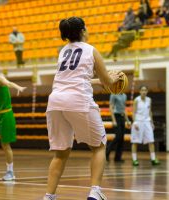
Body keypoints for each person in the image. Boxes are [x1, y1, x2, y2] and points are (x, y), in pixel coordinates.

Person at [43, 17, 123, 200]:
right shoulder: (91, 50)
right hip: (78, 100)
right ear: (82, 31)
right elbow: (107, 82)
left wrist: (103, 80)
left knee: (60, 153)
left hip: (55, 101)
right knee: (99, 146)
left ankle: (49, 196)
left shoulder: (63, 51)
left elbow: (78, 78)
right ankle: (95, 192)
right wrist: (115, 77)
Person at [130, 86, 160, 166]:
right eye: (142, 90)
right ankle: (134, 159)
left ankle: (153, 159)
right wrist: (135, 122)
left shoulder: (149, 100)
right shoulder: (136, 100)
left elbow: (150, 111)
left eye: (145, 90)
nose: (144, 92)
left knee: (151, 141)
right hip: (138, 122)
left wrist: (152, 122)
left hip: (147, 122)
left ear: (147, 91)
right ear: (139, 91)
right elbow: (133, 112)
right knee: (135, 142)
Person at [106, 93, 131, 163]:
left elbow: (123, 109)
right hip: (116, 116)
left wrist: (128, 120)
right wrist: (113, 120)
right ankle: (106, 153)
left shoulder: (124, 95)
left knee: (121, 138)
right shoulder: (113, 94)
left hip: (122, 117)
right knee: (118, 137)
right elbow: (111, 107)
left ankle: (117, 157)